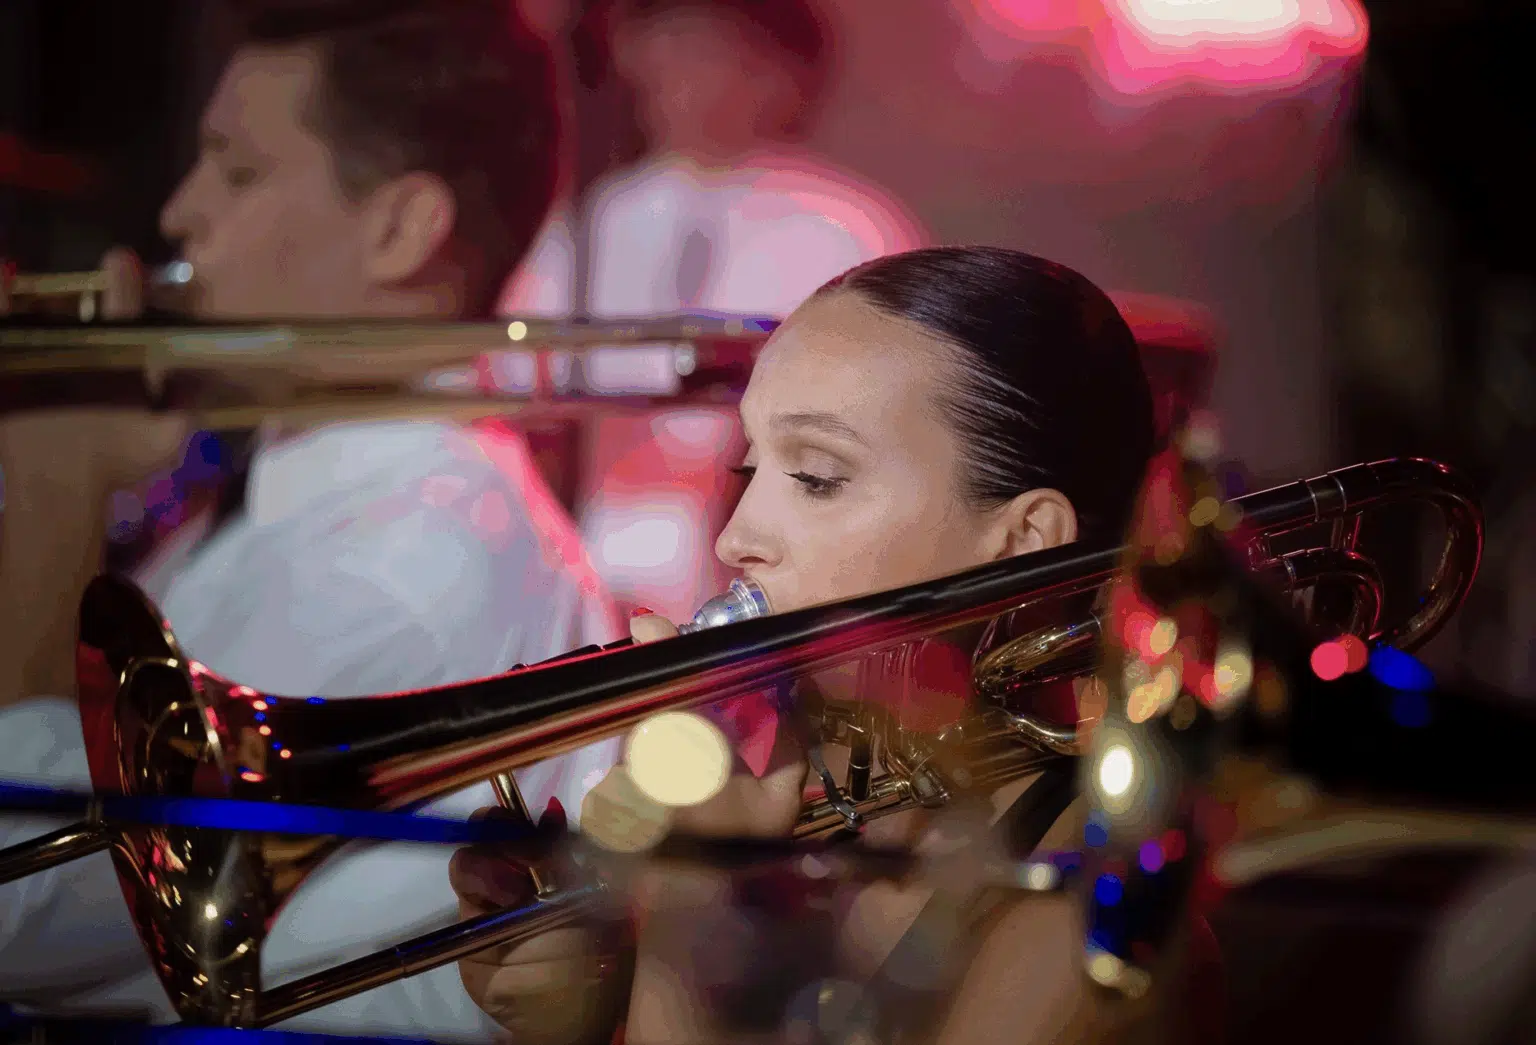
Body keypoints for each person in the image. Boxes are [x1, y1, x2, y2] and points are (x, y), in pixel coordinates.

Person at [0, 1, 624, 1039]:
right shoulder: (317, 495)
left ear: (401, 228)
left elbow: (19, 904)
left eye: (238, 171)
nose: (178, 214)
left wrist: (53, 480)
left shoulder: (397, 560)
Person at [452, 246, 1162, 1044]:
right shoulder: (809, 809)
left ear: (1024, 544)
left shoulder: (1095, 922)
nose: (734, 539)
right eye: (748, 467)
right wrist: (581, 1007)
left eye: (818, 476)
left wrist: (694, 907)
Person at [501, 0, 926, 626]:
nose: (674, 69)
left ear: (780, 74)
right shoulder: (594, 220)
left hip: (767, 577)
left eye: (704, 47)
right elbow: (516, 379)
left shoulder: (848, 228)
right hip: (577, 565)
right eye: (662, 44)